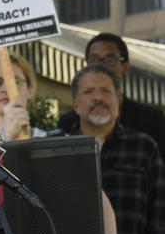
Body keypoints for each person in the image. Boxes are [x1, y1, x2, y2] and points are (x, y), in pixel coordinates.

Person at [0, 50, 121, 234]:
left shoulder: (56, 144)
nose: (5, 88)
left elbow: (99, 203)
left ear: (30, 89)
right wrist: (5, 140)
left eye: (14, 80)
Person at [69, 64, 165, 234]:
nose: (98, 97)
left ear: (119, 100)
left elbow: (160, 212)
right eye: (89, 91)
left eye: (106, 91)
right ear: (75, 104)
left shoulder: (143, 146)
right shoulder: (60, 150)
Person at [59, 32, 165, 160]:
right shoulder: (68, 124)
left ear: (125, 66)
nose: (101, 65)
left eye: (110, 60)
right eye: (93, 60)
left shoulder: (150, 120)